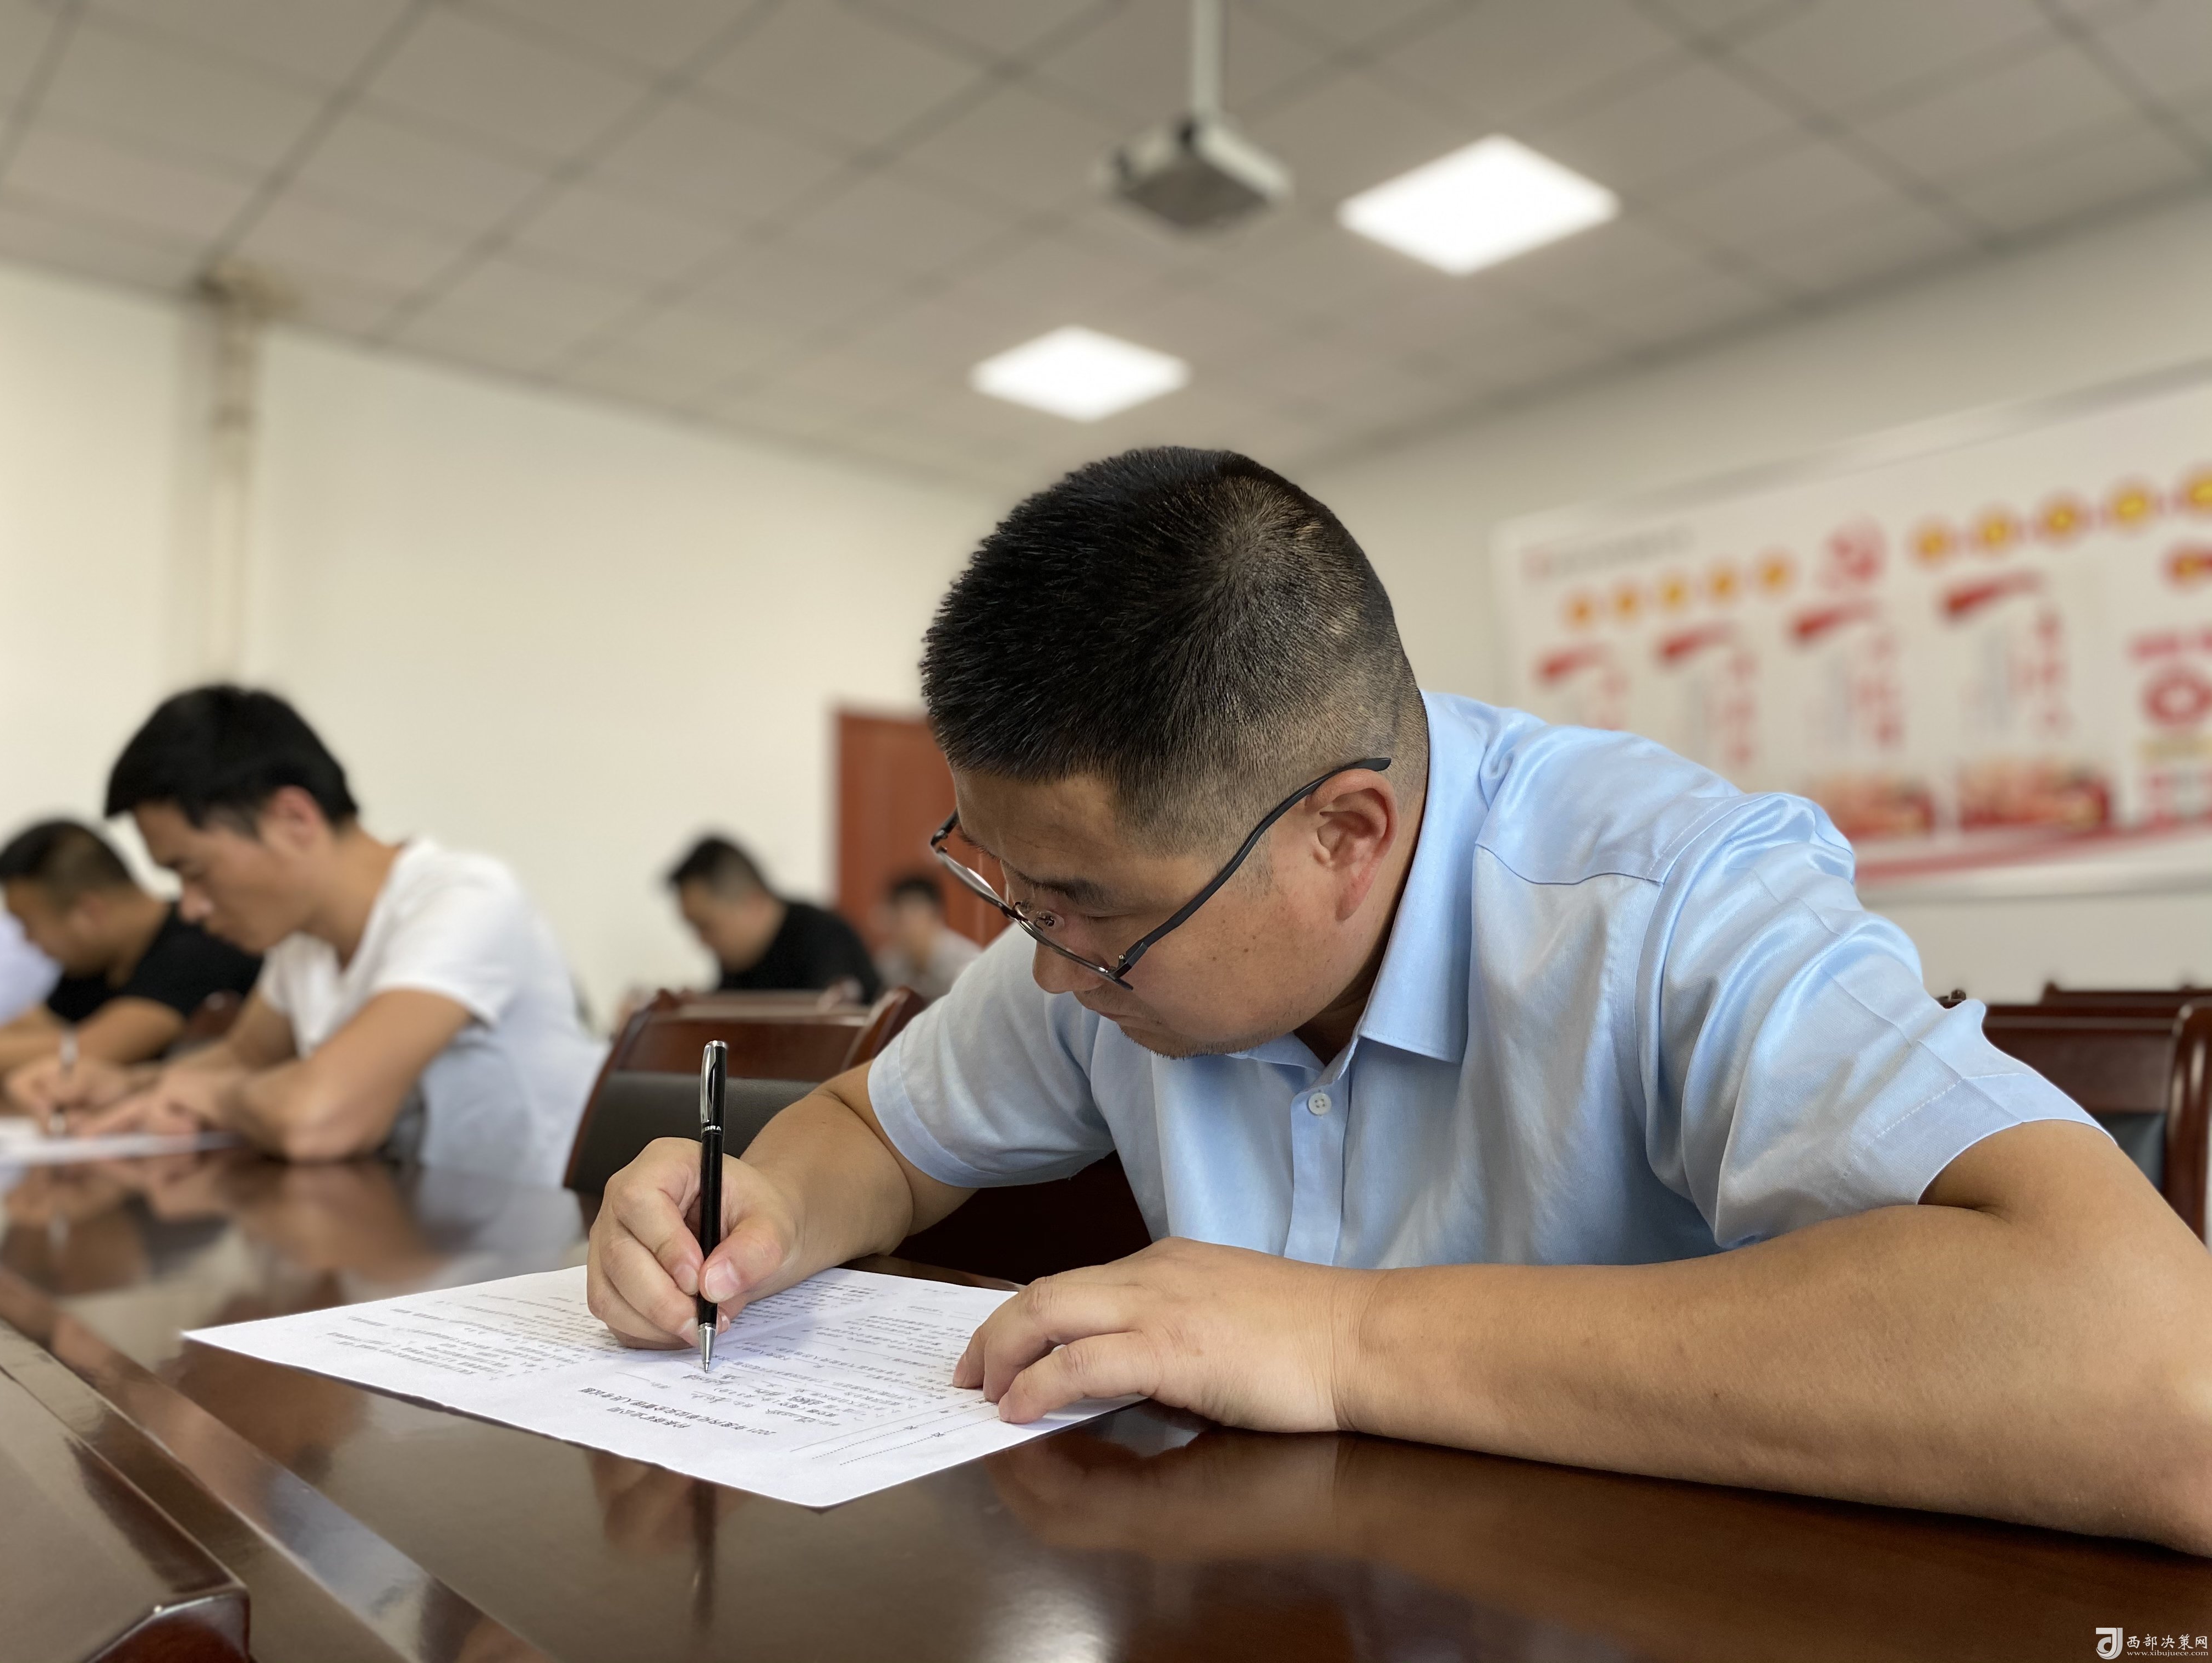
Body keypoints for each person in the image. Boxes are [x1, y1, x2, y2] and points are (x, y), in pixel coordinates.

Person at [589, 447, 2212, 1553]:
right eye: (1004, 887)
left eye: (1091, 912)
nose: (1050, 967)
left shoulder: (1663, 903)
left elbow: (2166, 1384)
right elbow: (881, 1128)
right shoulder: (1096, 944)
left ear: (1346, 835)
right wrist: (759, 1209)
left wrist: (1347, 1337)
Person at [10, 687, 605, 1185]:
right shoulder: (304, 939)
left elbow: (318, 1118)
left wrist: (213, 1096)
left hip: (534, 1252)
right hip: (406, 1242)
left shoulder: (467, 899)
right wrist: (127, 1084)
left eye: (194, 871)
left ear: (293, 819)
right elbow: (242, 1057)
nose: (189, 907)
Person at [0, 818, 259, 1093]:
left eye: (28, 924)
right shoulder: (92, 965)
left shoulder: (199, 946)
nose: (26, 940)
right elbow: (25, 1028)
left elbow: (93, 1051)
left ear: (89, 912)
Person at [667, 836, 879, 1003]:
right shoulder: (738, 960)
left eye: (706, 926)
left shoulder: (826, 940)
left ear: (753, 904)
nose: (701, 942)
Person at [872, 873, 982, 1003]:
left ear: (935, 915)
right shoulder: (891, 963)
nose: (905, 928)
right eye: (898, 919)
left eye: (913, 914)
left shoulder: (966, 964)